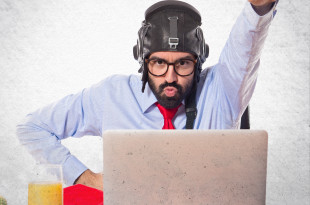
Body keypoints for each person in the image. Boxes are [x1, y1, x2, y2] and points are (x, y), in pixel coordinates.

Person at [16, 0, 278, 191]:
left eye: (183, 64)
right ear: (143, 61)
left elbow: (246, 46)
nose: (170, 77)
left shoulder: (222, 89)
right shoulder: (111, 95)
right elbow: (33, 127)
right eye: (159, 63)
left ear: (198, 64)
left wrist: (259, 8)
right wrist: (86, 178)